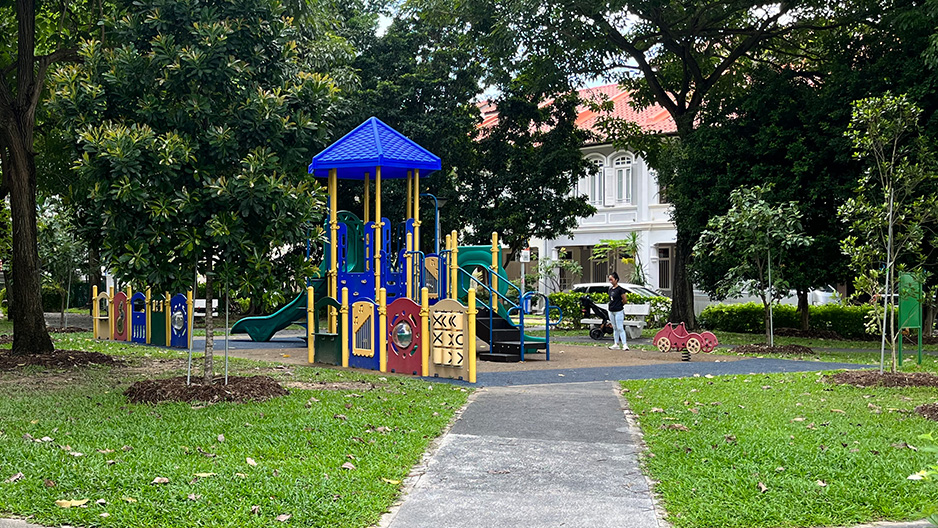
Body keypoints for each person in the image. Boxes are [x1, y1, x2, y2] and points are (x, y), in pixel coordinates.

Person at [607, 272, 629, 350]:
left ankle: (624, 344)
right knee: (615, 328)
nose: (610, 281)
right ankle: (616, 343)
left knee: (620, 328)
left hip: (618, 311)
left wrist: (619, 305)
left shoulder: (620, 290)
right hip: (611, 311)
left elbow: (625, 300)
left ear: (616, 280)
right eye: (609, 280)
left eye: (611, 279)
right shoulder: (610, 289)